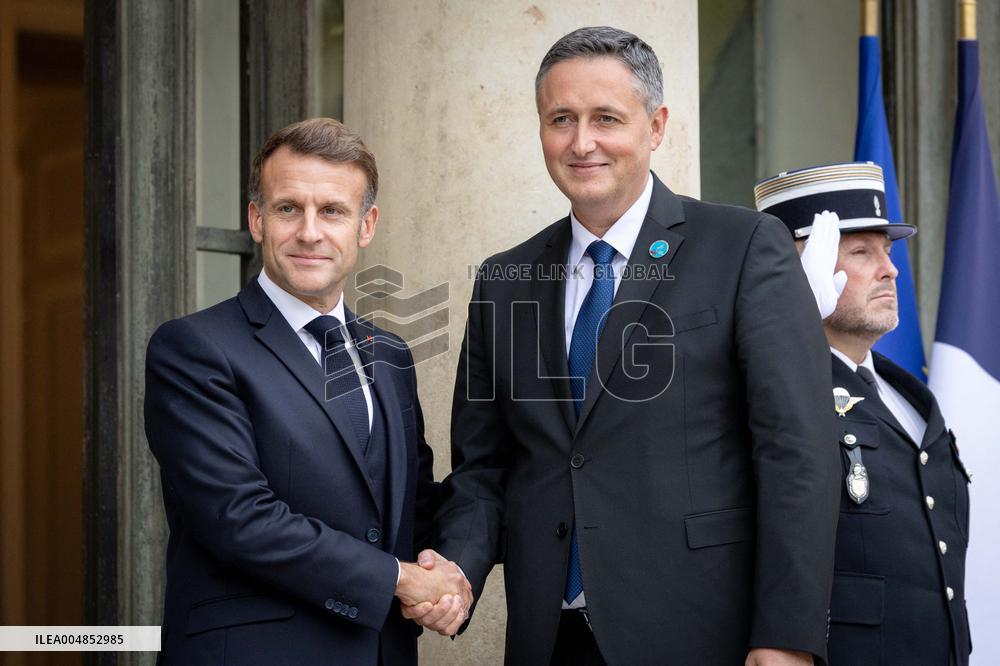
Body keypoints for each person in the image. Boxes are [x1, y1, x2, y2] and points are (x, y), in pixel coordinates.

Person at [408, 26, 840, 665]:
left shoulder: (744, 248)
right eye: (561, 119)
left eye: (606, 117)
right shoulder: (504, 279)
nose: (582, 142)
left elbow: (797, 454)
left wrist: (786, 638)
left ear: (656, 125)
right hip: (550, 639)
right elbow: (486, 468)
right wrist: (460, 570)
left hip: (701, 635)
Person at [144, 117, 470, 665]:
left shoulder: (389, 354)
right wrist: (397, 578)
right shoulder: (194, 348)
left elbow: (412, 507)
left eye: (333, 211)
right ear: (256, 218)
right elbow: (239, 518)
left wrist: (454, 570)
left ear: (366, 226)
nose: (310, 232)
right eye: (288, 208)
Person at [755, 162, 972, 666]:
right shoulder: (770, 386)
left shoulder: (910, 395)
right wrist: (789, 325)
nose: (890, 269)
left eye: (888, 252)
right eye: (860, 252)